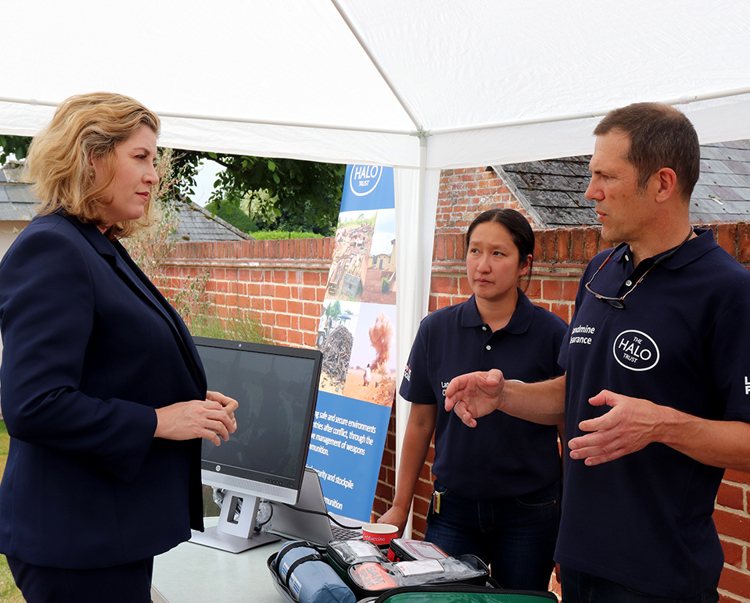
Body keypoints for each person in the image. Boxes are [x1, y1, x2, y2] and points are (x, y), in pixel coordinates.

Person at [445, 103, 750, 602]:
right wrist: (505, 396)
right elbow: (574, 393)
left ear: (662, 183)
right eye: (592, 175)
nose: (590, 192)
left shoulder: (728, 290)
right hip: (580, 562)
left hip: (661, 578)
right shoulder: (600, 270)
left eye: (606, 176)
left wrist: (663, 425)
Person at [0, 92, 239, 603]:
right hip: (76, 541)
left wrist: (189, 404)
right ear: (91, 156)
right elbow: (32, 405)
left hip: (106, 531)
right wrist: (160, 421)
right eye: (141, 157)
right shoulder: (53, 249)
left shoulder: (97, 244)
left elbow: (110, 366)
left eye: (155, 160)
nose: (155, 174)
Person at [379, 209, 567, 590]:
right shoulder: (436, 329)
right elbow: (419, 422)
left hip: (531, 515)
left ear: (524, 264)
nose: (482, 265)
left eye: (498, 254)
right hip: (453, 511)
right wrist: (401, 504)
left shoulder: (552, 333)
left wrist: (572, 527)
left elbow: (568, 430)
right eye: (475, 251)